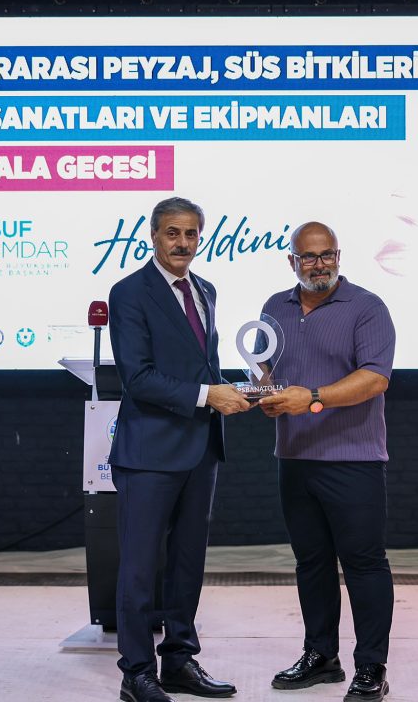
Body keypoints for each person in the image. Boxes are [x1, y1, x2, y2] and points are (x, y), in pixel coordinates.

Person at [107, 196, 251, 702]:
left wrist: (247, 388)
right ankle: (136, 672)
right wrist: (208, 396)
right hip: (149, 452)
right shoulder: (129, 292)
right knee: (139, 569)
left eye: (191, 234)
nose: (182, 243)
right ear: (153, 235)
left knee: (187, 564)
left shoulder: (205, 290)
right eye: (173, 233)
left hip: (201, 449)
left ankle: (178, 661)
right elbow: (138, 377)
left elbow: (202, 367)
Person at [258, 221, 396, 702]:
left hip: (353, 459)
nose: (319, 265)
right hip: (294, 458)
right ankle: (321, 656)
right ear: (292, 261)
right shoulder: (274, 307)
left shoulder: (367, 307)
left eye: (327, 255)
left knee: (364, 564)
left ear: (338, 256)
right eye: (309, 257)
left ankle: (371, 667)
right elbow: (267, 368)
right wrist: (263, 391)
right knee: (311, 563)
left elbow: (375, 378)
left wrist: (312, 397)